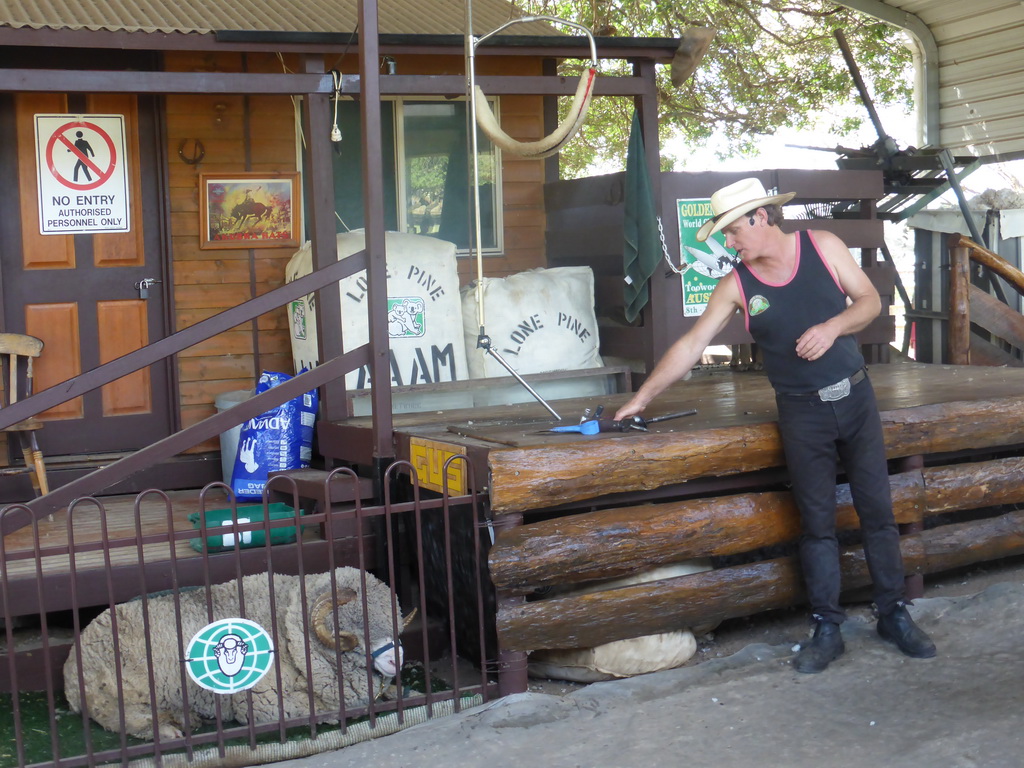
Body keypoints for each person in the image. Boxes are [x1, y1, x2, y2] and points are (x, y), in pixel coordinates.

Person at [614, 178, 936, 673]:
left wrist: (832, 328)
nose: (730, 242)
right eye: (724, 235)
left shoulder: (821, 246)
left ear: (760, 217)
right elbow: (691, 345)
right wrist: (641, 398)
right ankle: (827, 627)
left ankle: (892, 613)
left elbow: (869, 301)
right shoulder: (737, 284)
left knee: (877, 511)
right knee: (816, 523)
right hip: (801, 412)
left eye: (733, 231)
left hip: (855, 398)